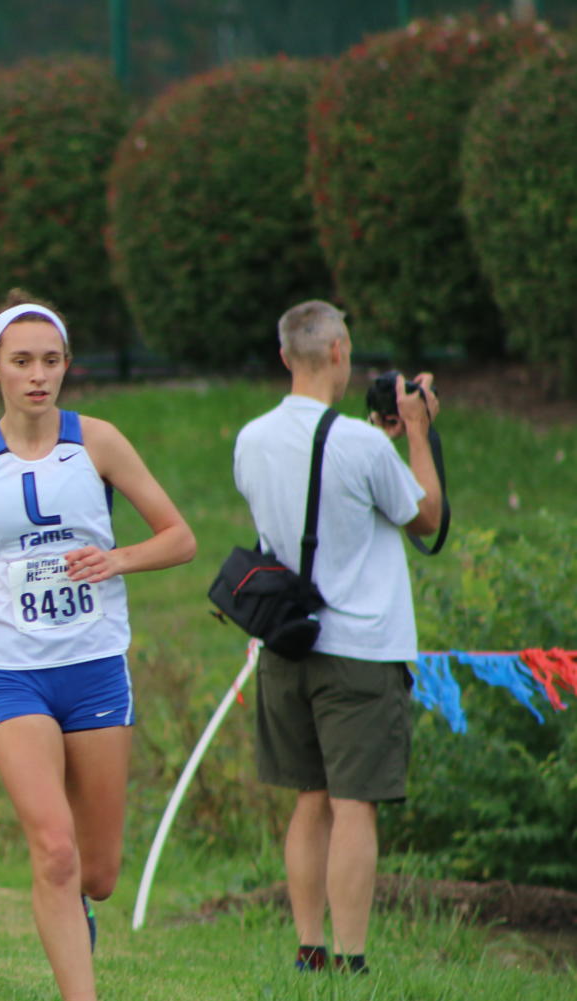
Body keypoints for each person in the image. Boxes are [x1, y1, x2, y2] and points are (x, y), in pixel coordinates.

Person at [0, 291, 195, 1001]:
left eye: (51, 361)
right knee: (53, 850)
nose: (38, 375)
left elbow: (179, 538)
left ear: (67, 367)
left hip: (94, 669)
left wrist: (117, 559)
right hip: (10, 673)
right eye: (22, 361)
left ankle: (80, 909)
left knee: (96, 872)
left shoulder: (98, 442)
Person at [232, 300, 441, 975]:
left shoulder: (250, 439)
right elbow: (423, 515)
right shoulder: (356, 443)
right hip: (361, 651)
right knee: (354, 808)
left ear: (285, 355)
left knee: (308, 800)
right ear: (340, 353)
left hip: (287, 645)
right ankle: (352, 957)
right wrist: (413, 431)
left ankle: (308, 946)